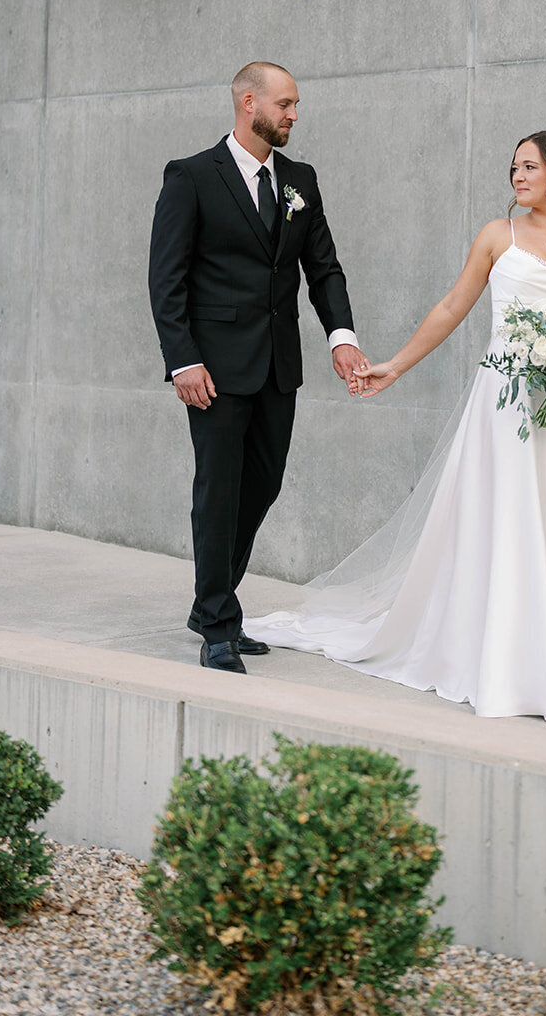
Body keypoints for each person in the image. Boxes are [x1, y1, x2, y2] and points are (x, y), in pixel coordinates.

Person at [245, 130, 546, 724]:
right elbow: (451, 307)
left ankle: (543, 655)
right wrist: (394, 365)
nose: (517, 177)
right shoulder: (499, 237)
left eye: (528, 167)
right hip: (504, 401)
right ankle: (517, 670)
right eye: (513, 167)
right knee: (507, 520)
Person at [148, 62, 369, 673]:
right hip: (213, 370)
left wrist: (341, 337)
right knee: (217, 492)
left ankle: (209, 598)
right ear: (250, 103)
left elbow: (322, 268)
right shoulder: (192, 177)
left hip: (278, 366)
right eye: (287, 104)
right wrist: (182, 361)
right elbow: (165, 279)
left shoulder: (300, 179)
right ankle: (218, 623)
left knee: (263, 485)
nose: (295, 115)